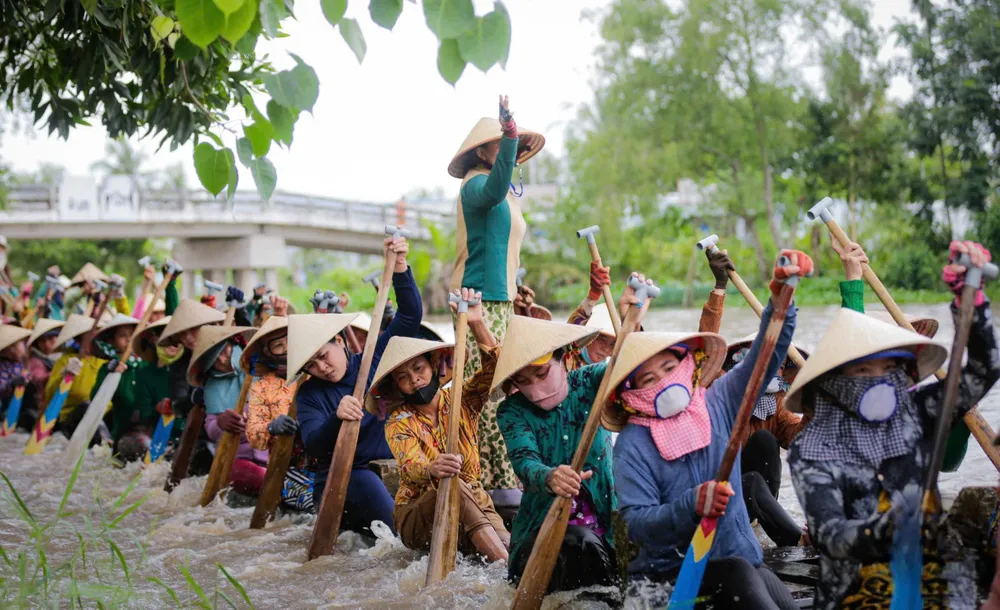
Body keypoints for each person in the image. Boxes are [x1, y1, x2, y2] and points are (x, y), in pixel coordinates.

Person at [786, 240, 1000, 609]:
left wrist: (972, 303)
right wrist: (884, 527)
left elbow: (984, 370)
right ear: (835, 382)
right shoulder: (814, 445)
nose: (879, 382)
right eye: (863, 371)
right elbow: (831, 535)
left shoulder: (914, 410)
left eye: (889, 369)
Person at [609, 253, 809, 609]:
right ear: (630, 394)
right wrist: (692, 504)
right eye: (648, 379)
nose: (663, 383)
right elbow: (637, 524)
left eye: (669, 368)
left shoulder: (718, 400)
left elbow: (765, 357)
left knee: (764, 585)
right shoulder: (632, 443)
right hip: (671, 577)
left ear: (688, 364)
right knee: (738, 573)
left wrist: (781, 301)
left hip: (741, 558)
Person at [449, 95, 546, 504]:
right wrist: (509, 134)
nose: (513, 150)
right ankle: (488, 481)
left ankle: (509, 476)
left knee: (509, 384)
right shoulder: (476, 185)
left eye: (515, 144)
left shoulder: (507, 192)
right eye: (504, 144)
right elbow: (491, 193)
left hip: (502, 301)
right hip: (477, 301)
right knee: (485, 392)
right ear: (481, 151)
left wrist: (516, 292)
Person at [368, 288, 509, 561]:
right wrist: (433, 468)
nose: (414, 380)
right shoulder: (398, 422)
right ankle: (502, 566)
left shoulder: (462, 399)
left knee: (507, 543)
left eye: (418, 369)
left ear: (433, 366)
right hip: (418, 515)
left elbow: (498, 371)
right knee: (452, 483)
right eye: (403, 377)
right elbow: (411, 466)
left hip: (476, 503)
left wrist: (477, 323)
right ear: (397, 387)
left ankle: (508, 568)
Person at [294, 235, 420, 535]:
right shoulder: (310, 394)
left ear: (339, 341)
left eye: (323, 356)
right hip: (346, 476)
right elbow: (314, 444)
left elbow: (410, 316)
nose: (322, 368)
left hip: (393, 464)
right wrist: (336, 417)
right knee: (399, 538)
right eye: (311, 365)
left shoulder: (372, 359)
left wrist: (400, 267)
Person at [493, 312, 625, 593]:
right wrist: (550, 477)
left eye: (541, 373)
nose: (535, 387)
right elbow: (524, 461)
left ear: (563, 358)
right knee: (578, 543)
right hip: (542, 530)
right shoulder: (511, 410)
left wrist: (629, 339)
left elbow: (631, 373)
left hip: (605, 524)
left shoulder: (591, 381)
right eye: (523, 380)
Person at [698, 247, 808, 548]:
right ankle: (798, 542)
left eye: (775, 364)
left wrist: (814, 403)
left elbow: (801, 441)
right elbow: (704, 351)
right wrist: (719, 287)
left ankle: (767, 525)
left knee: (765, 442)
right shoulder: (720, 390)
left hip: (752, 501)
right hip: (714, 494)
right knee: (751, 482)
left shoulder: (777, 406)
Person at [240, 304, 314, 511]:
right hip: (286, 467)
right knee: (312, 500)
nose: (286, 349)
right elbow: (254, 435)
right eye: (278, 345)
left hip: (324, 461)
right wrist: (272, 427)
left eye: (289, 341)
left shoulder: (315, 372)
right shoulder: (261, 387)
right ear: (268, 353)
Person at [157, 297, 226, 475]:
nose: (188, 338)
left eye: (193, 329)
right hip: (203, 433)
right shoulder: (181, 364)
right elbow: (178, 405)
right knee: (202, 457)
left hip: (238, 425)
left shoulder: (227, 349)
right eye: (183, 333)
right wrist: (195, 397)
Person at [188, 325, 259, 494]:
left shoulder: (258, 363)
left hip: (273, 449)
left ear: (233, 343)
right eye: (214, 358)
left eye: (224, 350)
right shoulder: (212, 385)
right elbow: (211, 427)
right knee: (238, 472)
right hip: (240, 456)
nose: (221, 360)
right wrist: (221, 422)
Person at [88, 314, 145, 456]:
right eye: (122, 336)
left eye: (132, 334)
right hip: (125, 433)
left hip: (150, 429)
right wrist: (110, 373)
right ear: (112, 341)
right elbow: (96, 399)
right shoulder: (108, 369)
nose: (128, 339)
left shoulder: (146, 364)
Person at [46, 314, 107, 434]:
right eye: (90, 336)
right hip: (72, 417)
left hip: (101, 415)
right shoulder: (65, 360)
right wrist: (63, 375)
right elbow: (50, 394)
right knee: (86, 406)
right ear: (79, 340)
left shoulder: (103, 361)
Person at [131, 317, 181, 459]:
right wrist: (158, 408)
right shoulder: (144, 374)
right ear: (155, 340)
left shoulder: (192, 371)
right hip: (154, 435)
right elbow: (144, 415)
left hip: (184, 436)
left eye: (177, 338)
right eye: (167, 338)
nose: (173, 344)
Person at [22, 319, 65, 431]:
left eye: (51, 339)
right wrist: (59, 373)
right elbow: (38, 378)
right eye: (42, 341)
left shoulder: (66, 356)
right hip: (46, 405)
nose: (46, 344)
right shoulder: (36, 360)